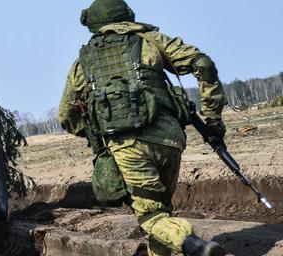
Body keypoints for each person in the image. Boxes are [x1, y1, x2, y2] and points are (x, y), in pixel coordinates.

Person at [58, 1, 227, 255]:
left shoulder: (82, 63)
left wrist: (98, 131)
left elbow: (66, 115)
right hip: (170, 140)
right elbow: (202, 63)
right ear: (126, 15)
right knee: (162, 212)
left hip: (126, 147)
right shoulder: (152, 40)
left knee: (152, 218)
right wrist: (213, 116)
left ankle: (193, 244)